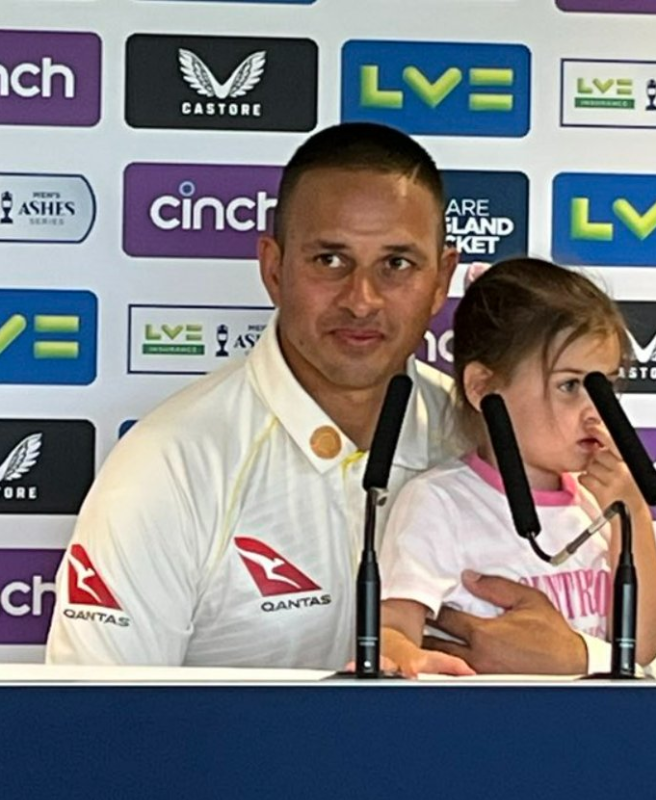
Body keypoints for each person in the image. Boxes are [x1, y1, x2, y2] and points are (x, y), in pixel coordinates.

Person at [46, 122, 462, 668]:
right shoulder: (170, 463)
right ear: (273, 268)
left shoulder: (483, 438)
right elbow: (92, 723)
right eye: (330, 260)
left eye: (397, 264)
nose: (362, 300)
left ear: (441, 280)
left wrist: (579, 653)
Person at [378, 258, 656, 678]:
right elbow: (391, 631)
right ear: (483, 387)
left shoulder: (598, 501)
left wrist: (635, 517)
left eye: (605, 386)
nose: (595, 412)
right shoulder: (437, 502)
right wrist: (403, 656)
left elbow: (641, 647)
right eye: (569, 386)